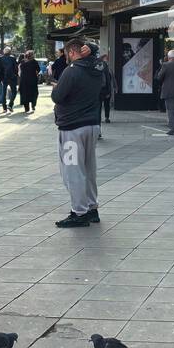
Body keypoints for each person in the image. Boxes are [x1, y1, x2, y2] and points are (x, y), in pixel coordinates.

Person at [52, 39, 107, 228]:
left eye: (67, 54)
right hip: (91, 125)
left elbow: (57, 96)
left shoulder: (72, 70)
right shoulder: (97, 68)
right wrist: (92, 50)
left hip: (71, 128)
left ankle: (79, 212)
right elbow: (101, 66)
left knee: (72, 170)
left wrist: (56, 88)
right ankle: (92, 208)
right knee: (88, 169)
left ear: (72, 53)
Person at [1, 46, 19, 113]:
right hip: (12, 77)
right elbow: (16, 68)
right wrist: (16, 75)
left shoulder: (1, 58)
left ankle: (4, 108)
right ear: (10, 52)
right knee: (14, 91)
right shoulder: (12, 58)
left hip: (4, 77)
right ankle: (10, 105)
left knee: (3, 92)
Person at [99, 52, 115, 123]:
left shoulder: (109, 69)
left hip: (107, 89)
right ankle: (98, 118)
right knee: (99, 105)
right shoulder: (99, 68)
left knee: (107, 104)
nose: (107, 60)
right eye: (105, 59)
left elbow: (113, 79)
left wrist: (115, 87)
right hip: (100, 90)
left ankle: (107, 117)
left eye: (107, 59)